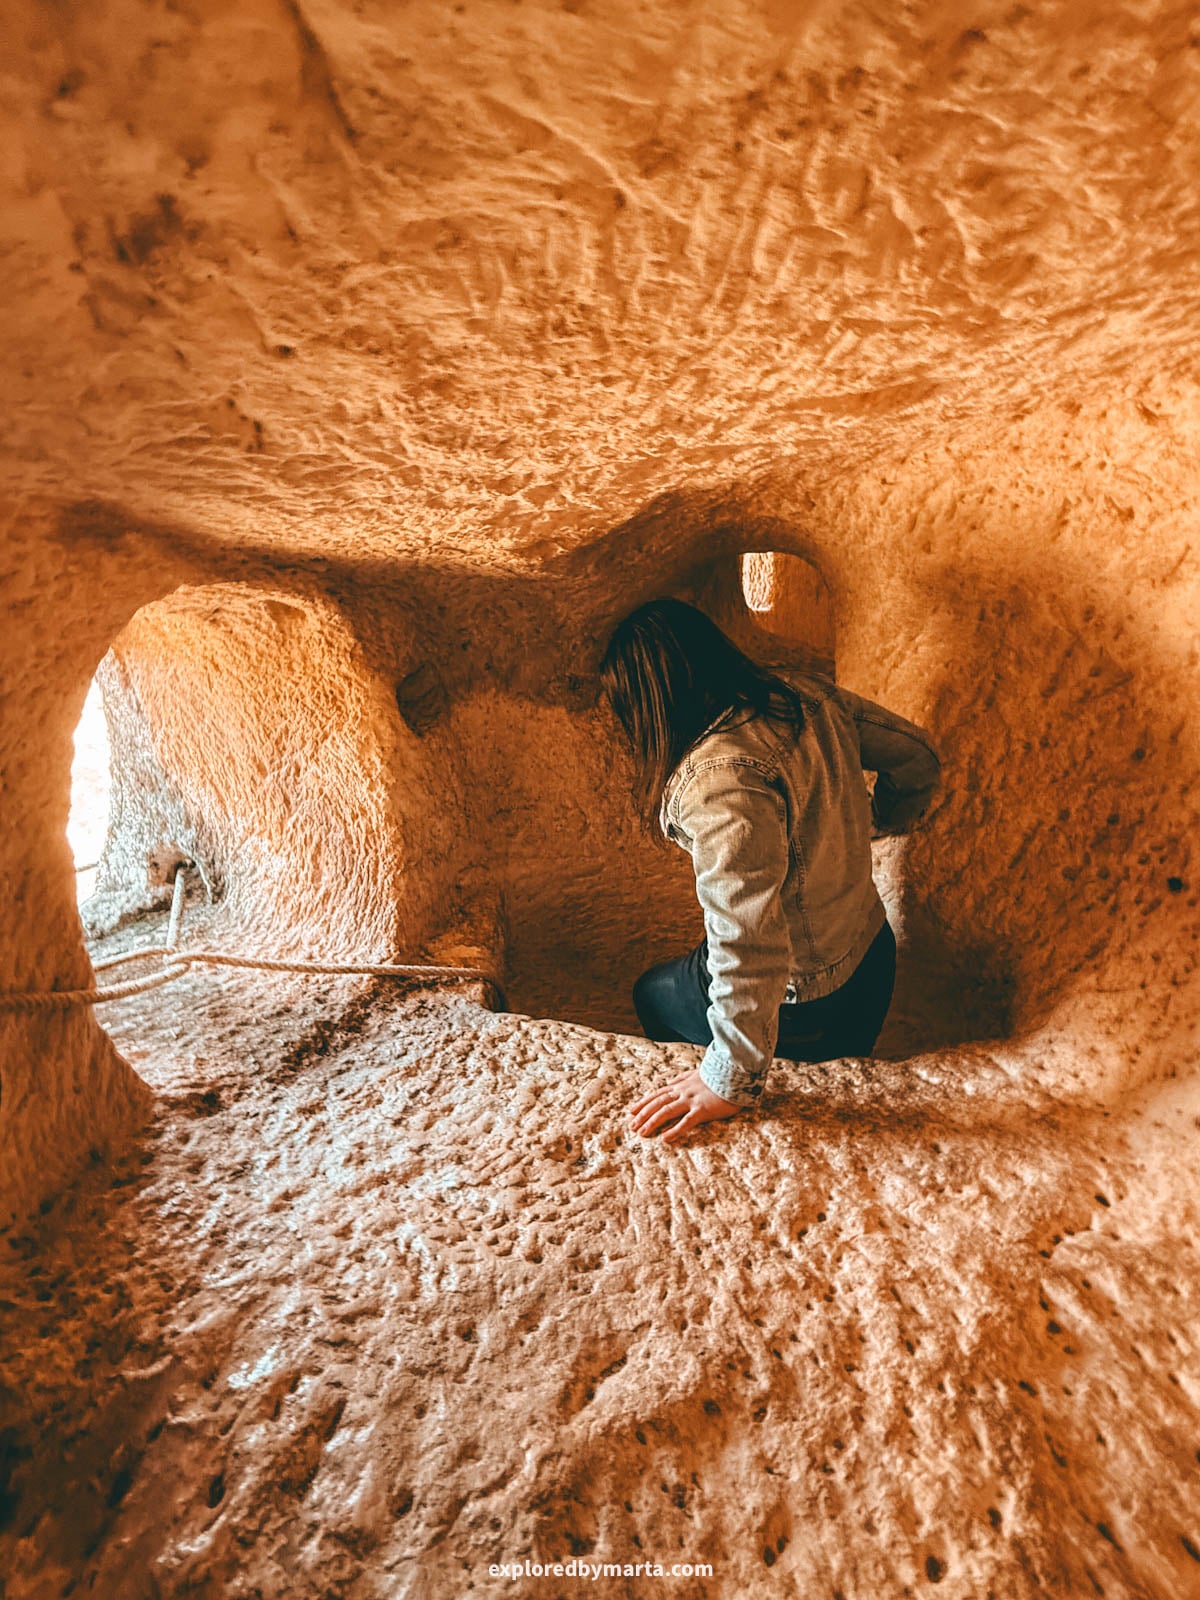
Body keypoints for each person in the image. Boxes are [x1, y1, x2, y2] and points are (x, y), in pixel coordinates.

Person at [598, 597, 942, 1143]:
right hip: (872, 963)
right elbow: (917, 756)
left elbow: (749, 941)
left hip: (810, 1006)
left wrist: (726, 1079)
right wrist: (881, 819)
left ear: (648, 706)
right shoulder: (805, 695)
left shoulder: (716, 780)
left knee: (651, 992)